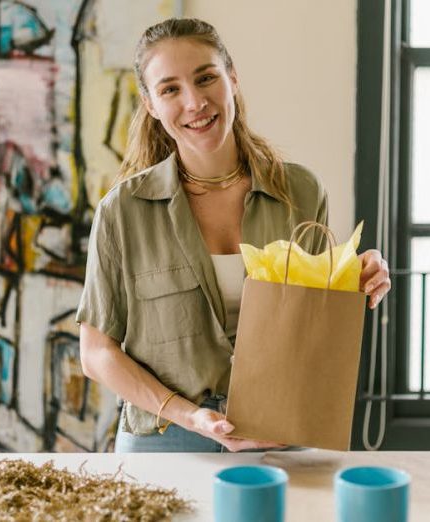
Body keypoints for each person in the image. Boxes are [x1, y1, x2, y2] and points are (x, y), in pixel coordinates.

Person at [76, 18, 391, 453]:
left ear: (232, 78)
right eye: (170, 89)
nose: (194, 102)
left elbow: (312, 322)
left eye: (206, 78)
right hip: (165, 441)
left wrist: (355, 281)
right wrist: (191, 417)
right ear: (150, 104)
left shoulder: (300, 192)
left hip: (283, 430)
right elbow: (96, 352)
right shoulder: (121, 212)